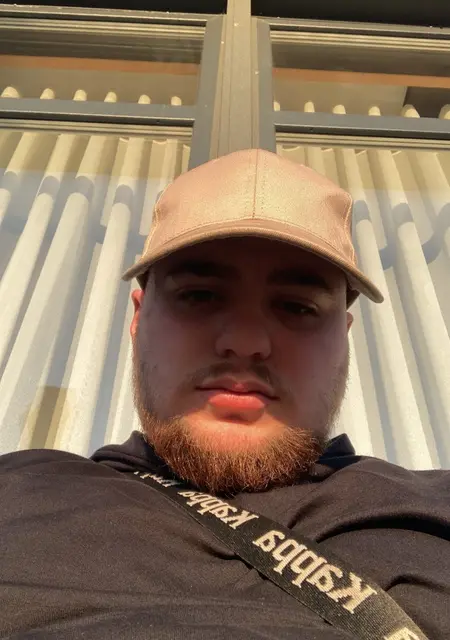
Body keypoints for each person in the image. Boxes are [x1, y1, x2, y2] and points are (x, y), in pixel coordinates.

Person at [0, 149, 448, 640]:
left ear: (343, 336)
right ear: (138, 318)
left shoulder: (436, 509)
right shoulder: (17, 490)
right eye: (200, 295)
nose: (246, 341)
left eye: (298, 306)